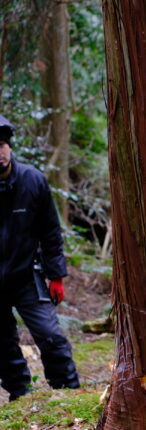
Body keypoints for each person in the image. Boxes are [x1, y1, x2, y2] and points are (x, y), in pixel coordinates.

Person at [0, 114, 80, 401]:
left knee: (50, 335)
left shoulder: (32, 181)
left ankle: (68, 393)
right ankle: (20, 394)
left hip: (26, 275)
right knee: (3, 343)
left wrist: (55, 275)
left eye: (2, 145)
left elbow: (50, 232)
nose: (0, 153)